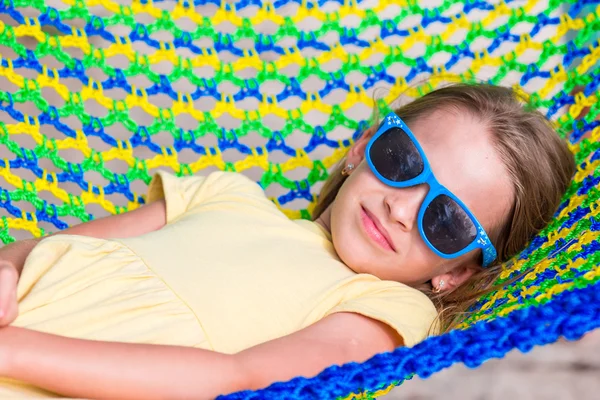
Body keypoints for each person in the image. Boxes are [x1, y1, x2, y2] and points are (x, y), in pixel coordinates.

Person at [0, 83, 575, 399]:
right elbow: (38, 251)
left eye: (445, 220)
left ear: (458, 272)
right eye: (401, 161)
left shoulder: (388, 311)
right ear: (362, 147)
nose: (402, 207)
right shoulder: (227, 195)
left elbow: (233, 383)